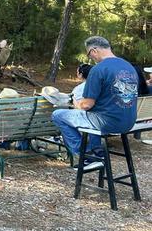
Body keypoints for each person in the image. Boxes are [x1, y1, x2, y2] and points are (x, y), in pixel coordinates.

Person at [51, 36, 138, 167]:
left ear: (94, 50)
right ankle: (93, 152)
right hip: (128, 122)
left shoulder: (98, 69)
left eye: (89, 54)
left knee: (58, 115)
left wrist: (75, 102)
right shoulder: (128, 66)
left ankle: (87, 156)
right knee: (91, 115)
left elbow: (86, 105)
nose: (91, 58)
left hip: (107, 122)